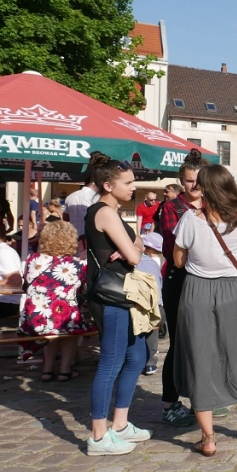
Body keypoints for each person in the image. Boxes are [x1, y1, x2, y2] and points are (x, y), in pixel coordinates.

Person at [172, 164, 237, 457]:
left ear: (203, 188)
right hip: (232, 291)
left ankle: (209, 437)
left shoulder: (191, 219)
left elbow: (178, 260)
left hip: (197, 289)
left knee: (200, 356)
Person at [84, 154, 150, 456]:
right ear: (108, 184)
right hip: (110, 296)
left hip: (126, 293)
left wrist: (132, 246)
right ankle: (98, 435)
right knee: (111, 361)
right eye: (128, 182)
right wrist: (132, 248)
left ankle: (120, 424)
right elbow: (136, 255)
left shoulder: (114, 211)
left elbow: (138, 246)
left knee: (136, 356)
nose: (133, 187)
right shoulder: (103, 212)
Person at [155, 149, 207, 428]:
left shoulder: (214, 205)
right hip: (180, 277)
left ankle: (205, 398)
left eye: (199, 180)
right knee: (178, 343)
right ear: (181, 182)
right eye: (189, 181)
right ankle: (169, 402)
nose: (195, 186)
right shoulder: (172, 208)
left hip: (207, 279)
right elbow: (176, 245)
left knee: (205, 342)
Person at [18, 221, 91, 380]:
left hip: (36, 318)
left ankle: (47, 370)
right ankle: (65, 371)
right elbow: (84, 286)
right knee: (70, 327)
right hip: (64, 317)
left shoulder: (32, 259)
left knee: (52, 329)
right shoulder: (77, 264)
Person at [136, 232, 166, 376]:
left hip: (139, 305)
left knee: (138, 333)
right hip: (156, 305)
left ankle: (138, 361)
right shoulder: (159, 261)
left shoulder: (140, 261)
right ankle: (150, 363)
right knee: (151, 334)